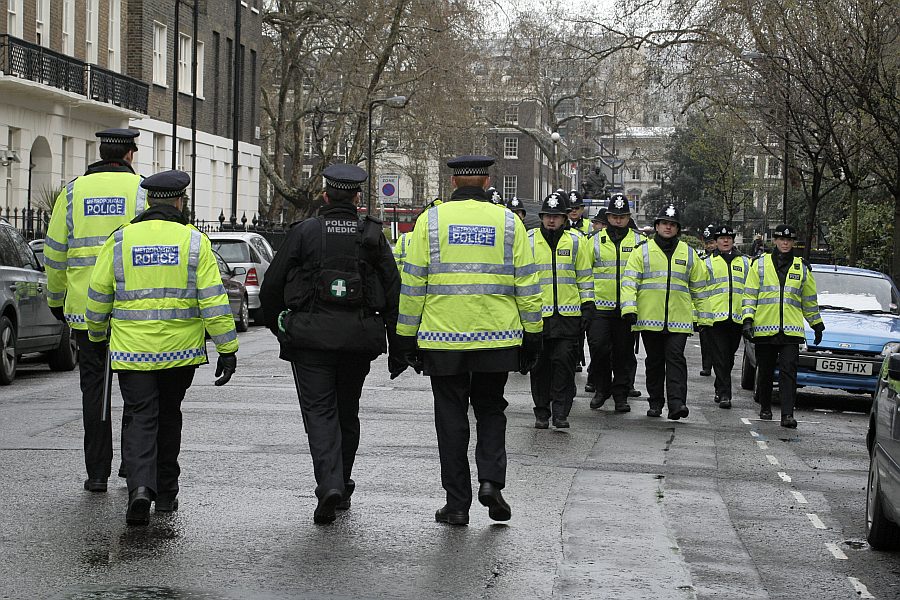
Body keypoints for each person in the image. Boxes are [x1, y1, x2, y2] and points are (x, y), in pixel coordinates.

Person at [394, 155, 543, 526]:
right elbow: (527, 282)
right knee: (491, 409)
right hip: (498, 337)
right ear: (487, 181)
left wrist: (404, 337)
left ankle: (457, 503)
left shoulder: (430, 221)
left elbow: (413, 284)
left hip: (443, 338)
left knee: (451, 419)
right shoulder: (509, 222)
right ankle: (492, 482)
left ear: (455, 184)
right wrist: (534, 334)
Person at [85, 170, 238, 525]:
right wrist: (227, 348)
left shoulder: (121, 240)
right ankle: (167, 494)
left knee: (140, 417)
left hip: (131, 351)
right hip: (179, 352)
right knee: (169, 416)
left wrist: (95, 335)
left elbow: (97, 294)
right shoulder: (195, 241)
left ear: (148, 201)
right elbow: (213, 301)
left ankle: (140, 488)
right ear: (180, 201)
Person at [259, 163, 400, 524]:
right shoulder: (372, 236)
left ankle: (330, 483)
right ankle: (342, 483)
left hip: (310, 340)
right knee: (347, 410)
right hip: (358, 340)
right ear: (357, 197)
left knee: (320, 413)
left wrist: (280, 325)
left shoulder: (305, 232)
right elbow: (394, 287)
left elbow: (272, 285)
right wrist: (398, 339)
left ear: (325, 195)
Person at [43, 128, 147, 493]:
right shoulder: (142, 191)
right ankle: (132, 466)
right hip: (131, 311)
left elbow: (55, 254)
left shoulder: (72, 192)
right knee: (137, 391)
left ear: (101, 152)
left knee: (95, 390)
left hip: (85, 311)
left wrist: (57, 301)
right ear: (130, 155)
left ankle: (97, 472)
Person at [621, 203, 708, 419]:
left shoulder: (688, 254)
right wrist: (629, 308)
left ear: (677, 229)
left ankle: (677, 404)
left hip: (679, 319)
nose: (668, 227)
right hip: (649, 318)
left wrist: (703, 319)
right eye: (664, 223)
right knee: (655, 361)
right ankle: (656, 402)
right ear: (657, 226)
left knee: (676, 358)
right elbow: (630, 281)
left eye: (672, 224)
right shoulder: (642, 251)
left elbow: (700, 288)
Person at [741, 224, 824, 428]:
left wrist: (817, 324)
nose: (785, 243)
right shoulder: (759, 265)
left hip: (791, 331)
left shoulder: (802, 268)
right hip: (765, 328)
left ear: (793, 242)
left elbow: (809, 300)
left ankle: (787, 414)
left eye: (789, 240)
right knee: (766, 371)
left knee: (789, 372)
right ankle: (766, 407)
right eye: (781, 239)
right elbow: (750, 295)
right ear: (775, 241)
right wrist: (748, 319)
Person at [527, 192, 594, 428]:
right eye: (548, 216)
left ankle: (561, 412)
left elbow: (584, 276)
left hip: (568, 317)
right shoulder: (529, 240)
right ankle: (541, 411)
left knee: (564, 365)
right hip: (538, 316)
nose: (551, 220)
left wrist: (587, 305)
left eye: (556, 216)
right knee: (540, 366)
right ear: (542, 217)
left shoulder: (577, 241)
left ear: (564, 218)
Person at [587, 193, 645, 413]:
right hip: (600, 307)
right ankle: (602, 389)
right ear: (608, 217)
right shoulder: (593, 241)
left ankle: (620, 395)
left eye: (622, 216)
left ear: (629, 217)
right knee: (599, 348)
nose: (618, 220)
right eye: (614, 216)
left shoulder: (640, 241)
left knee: (623, 353)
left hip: (626, 308)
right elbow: (585, 272)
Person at [699, 225, 750, 409]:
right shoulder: (707, 263)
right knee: (720, 355)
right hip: (715, 317)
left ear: (733, 240)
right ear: (716, 241)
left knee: (728, 357)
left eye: (729, 237)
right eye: (721, 238)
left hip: (737, 316)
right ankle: (725, 394)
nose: (725, 240)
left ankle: (719, 386)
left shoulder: (745, 262)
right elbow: (700, 289)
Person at [697, 224, 716, 377]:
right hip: (706, 305)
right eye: (707, 243)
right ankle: (707, 365)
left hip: (720, 306)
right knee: (705, 339)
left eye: (712, 242)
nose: (709, 246)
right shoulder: (701, 260)